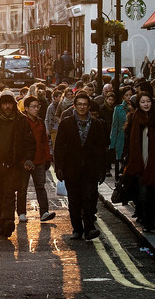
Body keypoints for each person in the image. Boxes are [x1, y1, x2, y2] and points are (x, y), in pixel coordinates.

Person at [54, 91, 108, 240]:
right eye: (79, 104)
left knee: (89, 199)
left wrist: (102, 169)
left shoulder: (96, 125)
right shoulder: (66, 123)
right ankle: (77, 229)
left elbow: (101, 148)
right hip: (72, 169)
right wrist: (59, 166)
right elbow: (59, 146)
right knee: (74, 201)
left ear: (89, 106)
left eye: (85, 104)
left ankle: (90, 228)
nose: (82, 107)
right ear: (74, 106)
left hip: (90, 169)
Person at [0, 91, 35, 238]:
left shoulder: (21, 121)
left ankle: (8, 220)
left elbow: (30, 142)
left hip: (14, 163)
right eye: (4, 103)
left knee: (9, 193)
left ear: (14, 104)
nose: (7, 106)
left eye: (10, 103)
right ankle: (1, 220)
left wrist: (29, 158)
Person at [123, 91, 155, 231]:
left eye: (148, 101)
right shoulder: (134, 119)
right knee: (143, 192)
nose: (146, 104)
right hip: (139, 162)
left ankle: (150, 218)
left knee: (153, 193)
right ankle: (147, 222)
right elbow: (128, 141)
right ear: (138, 104)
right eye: (143, 102)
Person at [19, 96, 56, 223]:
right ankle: (22, 213)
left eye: (37, 106)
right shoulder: (22, 122)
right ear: (27, 108)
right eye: (33, 107)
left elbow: (44, 142)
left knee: (40, 186)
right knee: (22, 188)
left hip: (39, 160)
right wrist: (22, 160)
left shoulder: (40, 122)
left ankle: (44, 212)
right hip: (24, 162)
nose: (36, 109)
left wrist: (48, 158)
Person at [109, 86, 134, 177]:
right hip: (121, 137)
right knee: (121, 160)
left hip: (132, 137)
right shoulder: (118, 109)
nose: (128, 97)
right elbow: (114, 126)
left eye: (130, 95)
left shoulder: (136, 108)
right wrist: (112, 143)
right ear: (123, 97)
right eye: (126, 95)